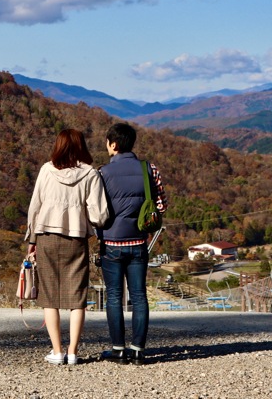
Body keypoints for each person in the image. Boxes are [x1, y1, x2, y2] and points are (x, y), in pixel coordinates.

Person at [25, 129, 110, 366]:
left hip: (46, 237)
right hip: (76, 238)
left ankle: (57, 350)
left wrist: (31, 241)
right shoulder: (91, 173)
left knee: (49, 296)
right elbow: (99, 214)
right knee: (76, 296)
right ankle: (73, 352)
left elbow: (35, 207)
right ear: (81, 146)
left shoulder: (46, 169)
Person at [96, 122, 168, 365]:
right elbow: (161, 206)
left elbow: (97, 211)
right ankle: (138, 350)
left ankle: (118, 350)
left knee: (114, 296)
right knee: (139, 296)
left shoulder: (102, 173)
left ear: (113, 144)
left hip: (111, 243)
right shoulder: (149, 169)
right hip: (139, 243)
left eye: (107, 142)